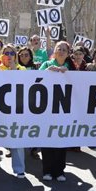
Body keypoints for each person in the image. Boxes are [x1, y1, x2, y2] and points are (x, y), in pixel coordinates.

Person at [0, 44, 27, 179]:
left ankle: (19, 169)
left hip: (15, 111)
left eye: (12, 53)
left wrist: (14, 69)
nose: (9, 56)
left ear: (16, 56)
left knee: (17, 140)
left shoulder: (22, 69)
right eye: (6, 53)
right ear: (1, 56)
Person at [39, 41, 71, 181]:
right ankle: (47, 170)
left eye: (64, 49)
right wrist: (47, 73)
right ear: (55, 51)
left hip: (63, 110)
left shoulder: (71, 67)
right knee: (47, 141)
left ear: (68, 53)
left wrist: (68, 74)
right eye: (59, 48)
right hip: (47, 108)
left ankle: (59, 171)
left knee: (60, 142)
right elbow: (36, 79)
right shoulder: (46, 64)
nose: (62, 51)